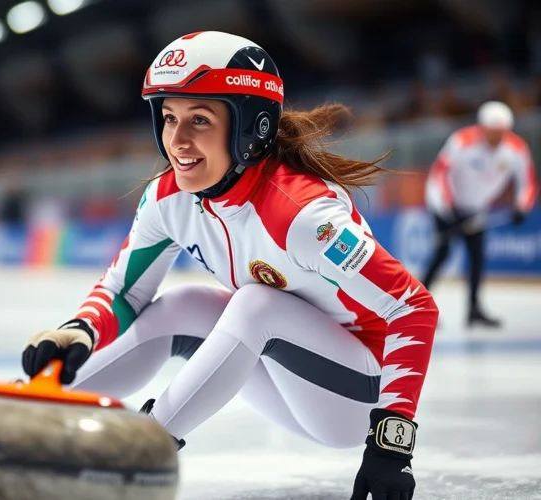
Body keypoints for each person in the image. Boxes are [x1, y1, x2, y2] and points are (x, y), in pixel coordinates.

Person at [22, 31, 439, 500]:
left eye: (199, 120)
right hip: (289, 376)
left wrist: (391, 445)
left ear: (251, 128)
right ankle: (28, 409)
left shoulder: (303, 216)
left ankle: (144, 448)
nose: (177, 141)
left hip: (358, 399)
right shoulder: (167, 198)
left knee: (256, 304)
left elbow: (413, 308)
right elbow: (125, 292)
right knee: (189, 303)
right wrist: (80, 331)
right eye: (169, 117)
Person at [422, 101, 538, 328]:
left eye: (502, 132)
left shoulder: (516, 148)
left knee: (477, 256)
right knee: (442, 253)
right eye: (493, 132)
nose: (497, 138)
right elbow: (440, 175)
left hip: (476, 209)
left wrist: (522, 207)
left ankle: (474, 309)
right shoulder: (461, 141)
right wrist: (448, 209)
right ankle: (418, 305)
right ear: (482, 128)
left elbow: (528, 182)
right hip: (444, 204)